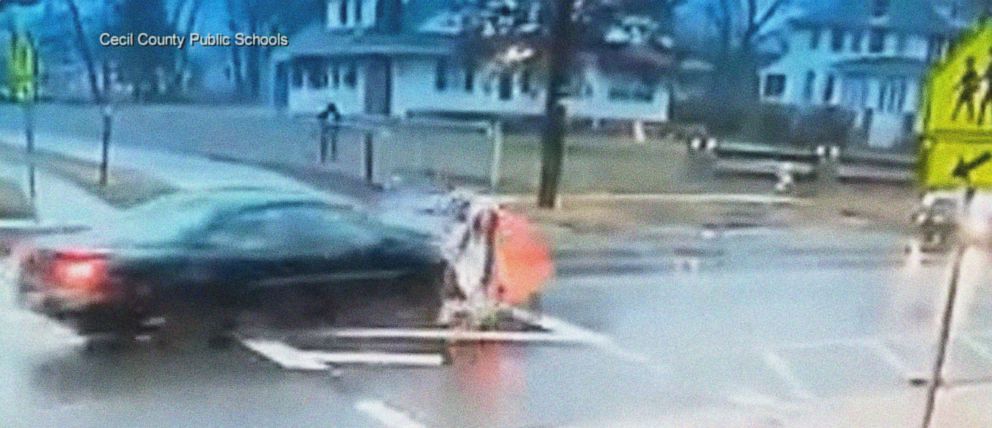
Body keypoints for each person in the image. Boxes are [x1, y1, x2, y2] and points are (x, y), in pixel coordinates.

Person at [953, 57, 980, 123]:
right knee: (962, 104)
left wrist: (973, 86)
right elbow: (962, 81)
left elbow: (976, 81)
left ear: (971, 63)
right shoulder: (968, 71)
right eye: (967, 63)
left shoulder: (973, 72)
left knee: (967, 104)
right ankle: (955, 116)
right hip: (966, 90)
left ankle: (970, 117)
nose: (967, 64)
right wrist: (957, 86)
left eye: (968, 63)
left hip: (969, 91)